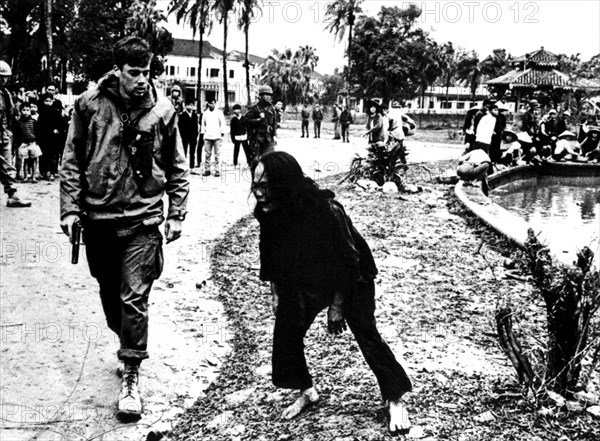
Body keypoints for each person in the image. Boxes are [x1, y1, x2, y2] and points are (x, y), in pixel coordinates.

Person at [59, 36, 190, 419]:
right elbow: (71, 160)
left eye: (146, 72)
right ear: (118, 70)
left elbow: (177, 166)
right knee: (109, 293)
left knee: (134, 297)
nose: (141, 80)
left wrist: (177, 212)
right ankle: (125, 342)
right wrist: (69, 210)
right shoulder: (88, 105)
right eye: (133, 72)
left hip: (143, 220)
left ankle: (131, 373)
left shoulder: (162, 111)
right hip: (98, 219)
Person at [251, 151, 412, 433]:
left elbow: (348, 261)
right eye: (255, 186)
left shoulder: (323, 210)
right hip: (308, 275)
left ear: (284, 183)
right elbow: (270, 254)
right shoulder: (270, 210)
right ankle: (306, 389)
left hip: (352, 275)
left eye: (266, 186)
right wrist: (277, 294)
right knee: (287, 327)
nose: (259, 193)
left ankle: (394, 397)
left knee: (365, 331)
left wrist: (337, 306)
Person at [245, 85, 277, 158]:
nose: (268, 97)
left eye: (269, 95)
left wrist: (274, 135)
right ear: (261, 96)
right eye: (266, 94)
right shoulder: (254, 108)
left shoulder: (272, 108)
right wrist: (257, 120)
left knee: (269, 158)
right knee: (255, 159)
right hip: (256, 138)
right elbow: (245, 121)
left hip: (268, 137)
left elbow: (274, 123)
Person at [13, 101, 42, 181]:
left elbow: (38, 133)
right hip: (24, 143)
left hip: (33, 142)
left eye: (27, 110)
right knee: (25, 160)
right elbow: (17, 134)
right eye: (24, 110)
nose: (26, 112)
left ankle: (33, 176)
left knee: (34, 159)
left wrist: (37, 142)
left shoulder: (34, 122)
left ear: (30, 111)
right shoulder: (19, 122)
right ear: (21, 111)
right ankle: (26, 176)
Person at [37, 93, 63, 180]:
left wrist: (57, 129)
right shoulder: (41, 112)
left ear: (52, 101)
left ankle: (52, 172)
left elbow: (59, 123)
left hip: (53, 137)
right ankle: (43, 172)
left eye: (50, 101)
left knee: (53, 155)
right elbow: (39, 125)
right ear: (43, 102)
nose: (48, 103)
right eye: (46, 101)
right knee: (43, 155)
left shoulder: (56, 112)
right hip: (43, 136)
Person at [200, 99, 226, 177]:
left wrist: (222, 132)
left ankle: (217, 170)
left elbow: (223, 123)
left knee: (217, 154)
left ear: (215, 103)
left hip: (217, 136)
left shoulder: (219, 113)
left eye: (212, 103)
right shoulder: (205, 113)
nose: (211, 105)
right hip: (208, 136)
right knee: (207, 154)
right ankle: (207, 170)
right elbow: (203, 124)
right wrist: (203, 133)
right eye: (210, 103)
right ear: (208, 104)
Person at [0, 60, 15, 164]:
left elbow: (11, 113)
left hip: (4, 133)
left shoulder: (6, 94)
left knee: (7, 166)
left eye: (5, 77)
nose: (3, 79)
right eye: (1, 76)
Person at [178, 100, 199, 168]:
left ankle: (191, 166)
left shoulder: (195, 115)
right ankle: (184, 166)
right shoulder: (182, 115)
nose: (191, 106)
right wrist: (182, 136)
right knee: (184, 151)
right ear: (186, 106)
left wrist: (196, 134)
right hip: (185, 136)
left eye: (192, 105)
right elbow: (180, 127)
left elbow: (196, 126)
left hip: (193, 136)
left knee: (192, 152)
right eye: (189, 105)